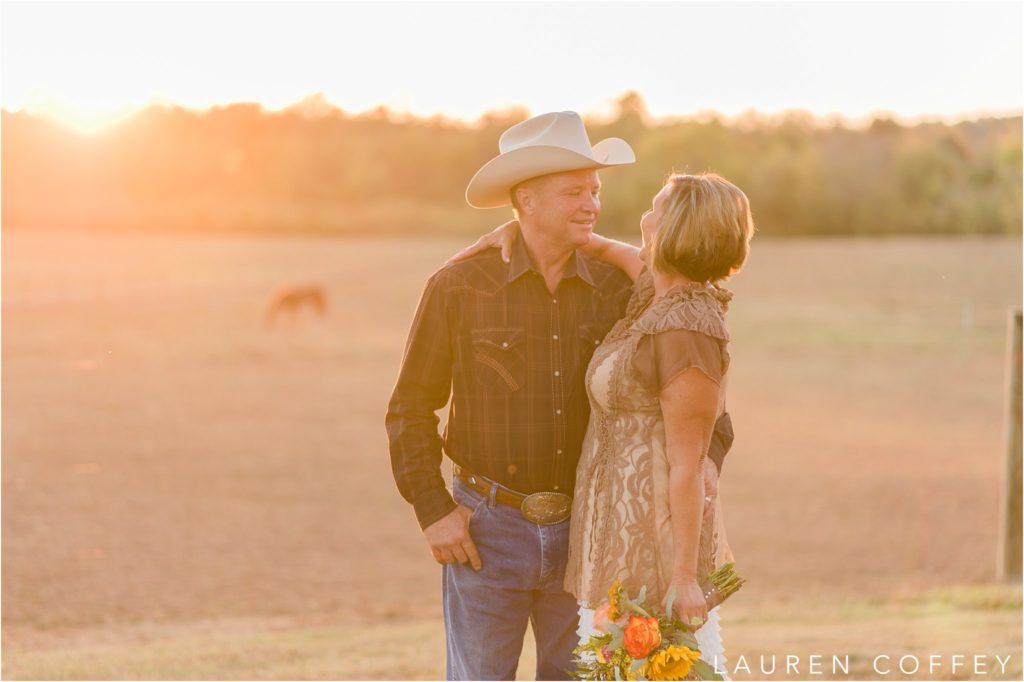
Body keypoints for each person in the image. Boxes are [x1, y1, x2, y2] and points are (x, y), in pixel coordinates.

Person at [385, 111, 735, 681]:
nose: (592, 205)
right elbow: (409, 408)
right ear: (525, 199)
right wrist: (433, 511)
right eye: (574, 192)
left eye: (594, 191)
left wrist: (693, 479)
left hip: (588, 537)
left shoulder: (626, 291)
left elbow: (705, 401)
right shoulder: (458, 286)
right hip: (484, 530)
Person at [465, 172, 755, 678]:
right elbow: (612, 250)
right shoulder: (655, 298)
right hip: (614, 539)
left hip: (654, 548)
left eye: (655, 208)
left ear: (675, 229)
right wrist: (519, 230)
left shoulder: (687, 326)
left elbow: (687, 465)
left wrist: (684, 577)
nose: (643, 218)